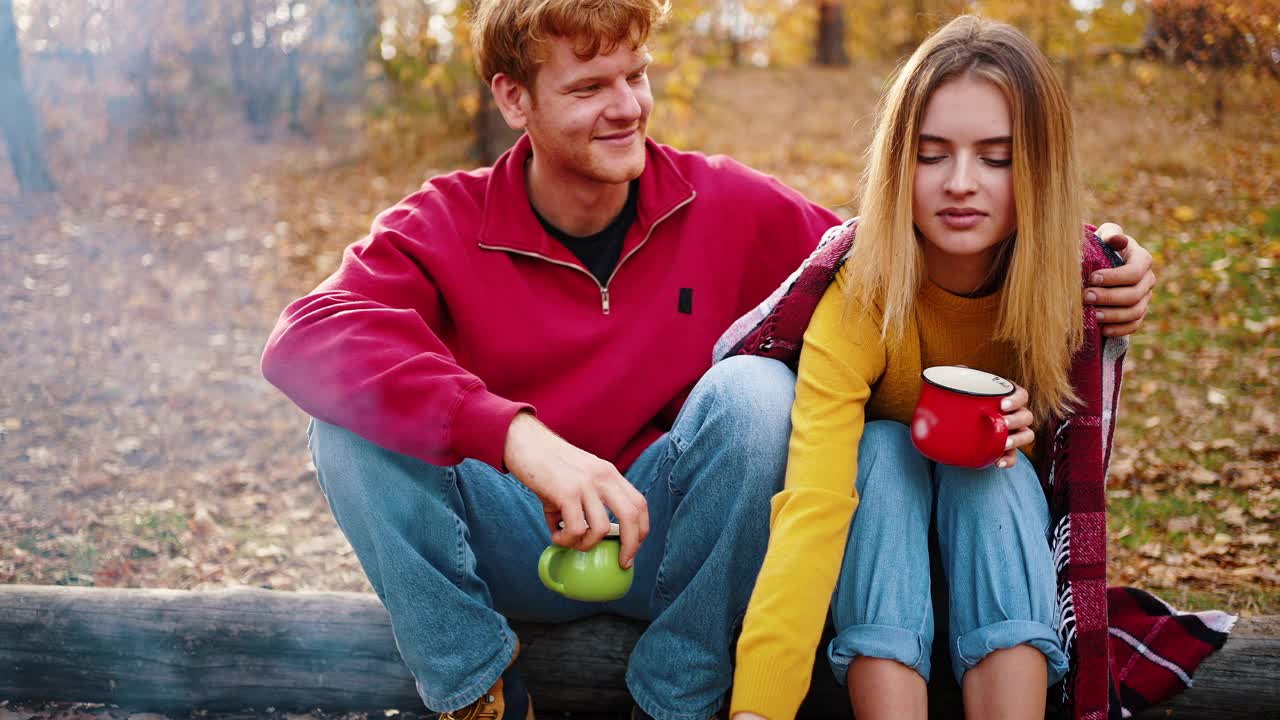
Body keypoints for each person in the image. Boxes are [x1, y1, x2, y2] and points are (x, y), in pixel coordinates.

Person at [260, 3, 1155, 719]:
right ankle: (477, 691)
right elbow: (307, 336)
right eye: (589, 86)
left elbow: (896, 252)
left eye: (636, 75)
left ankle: (679, 696)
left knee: (757, 393)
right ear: (512, 99)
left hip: (674, 538)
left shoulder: (723, 202)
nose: (627, 106)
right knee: (343, 420)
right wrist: (519, 439)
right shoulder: (448, 219)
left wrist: (1087, 259)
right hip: (508, 533)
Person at [729, 15, 1138, 720]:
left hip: (1003, 569)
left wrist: (1018, 430)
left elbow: (1062, 474)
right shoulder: (861, 290)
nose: (959, 184)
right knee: (883, 449)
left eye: (997, 157)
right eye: (931, 154)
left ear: (1038, 164)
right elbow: (814, 510)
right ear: (897, 162)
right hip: (872, 570)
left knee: (992, 466)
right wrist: (758, 709)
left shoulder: (1072, 290)